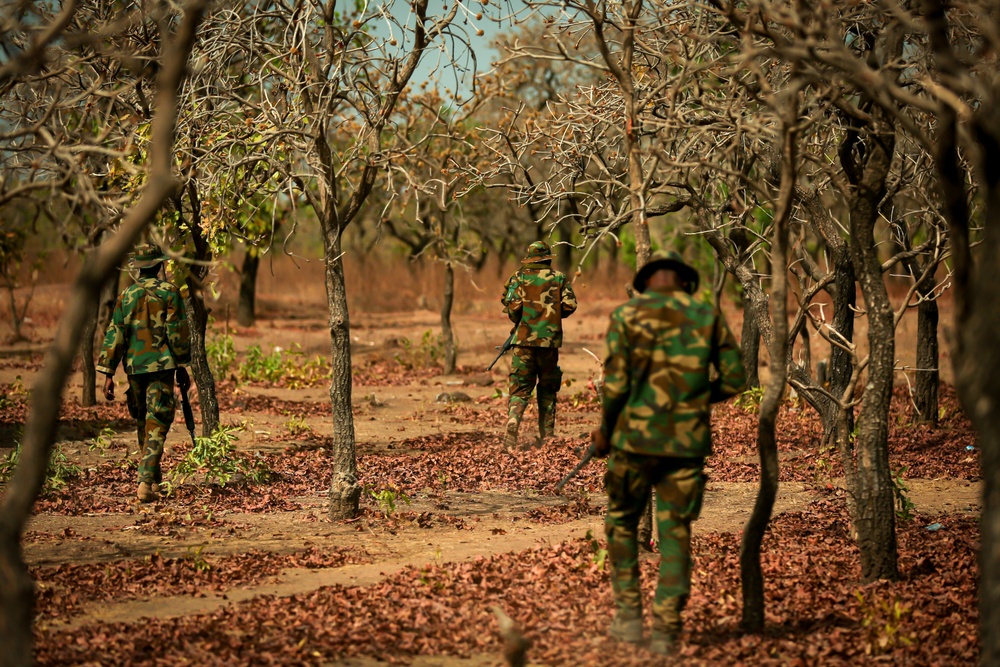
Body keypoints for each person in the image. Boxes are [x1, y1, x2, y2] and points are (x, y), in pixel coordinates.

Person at [591, 250, 746, 655]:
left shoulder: (627, 316)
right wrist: (693, 400)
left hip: (632, 443)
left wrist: (605, 432)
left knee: (622, 524)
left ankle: (627, 619)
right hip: (685, 445)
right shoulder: (706, 314)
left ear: (646, 282)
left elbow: (617, 386)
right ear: (684, 281)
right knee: (676, 532)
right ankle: (667, 628)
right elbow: (734, 378)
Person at [97, 243, 192, 503]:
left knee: (145, 422)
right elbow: (176, 332)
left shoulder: (126, 295)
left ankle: (155, 482)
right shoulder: (170, 292)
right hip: (161, 368)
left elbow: (115, 333)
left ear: (138, 268)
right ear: (160, 264)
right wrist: (183, 363)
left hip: (135, 368)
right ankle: (144, 482)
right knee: (158, 423)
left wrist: (107, 372)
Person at [500, 240, 578, 449]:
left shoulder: (518, 277)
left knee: (520, 387)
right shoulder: (558, 278)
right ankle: (548, 435)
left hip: (523, 343)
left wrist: (520, 318)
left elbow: (512, 307)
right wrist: (552, 315)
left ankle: (514, 420)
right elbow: (570, 305)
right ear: (547, 258)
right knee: (547, 387)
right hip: (549, 344)